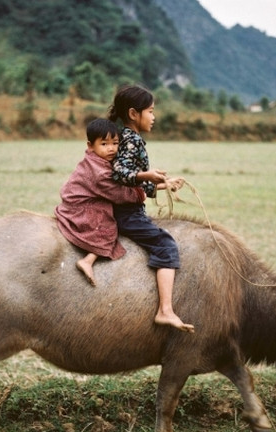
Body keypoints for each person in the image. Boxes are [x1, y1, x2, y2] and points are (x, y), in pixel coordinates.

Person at [108, 85, 195, 333]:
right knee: (166, 244)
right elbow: (121, 174)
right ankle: (165, 310)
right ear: (134, 114)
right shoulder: (131, 139)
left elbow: (135, 182)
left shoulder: (125, 137)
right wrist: (147, 174)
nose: (154, 117)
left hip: (127, 207)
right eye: (151, 111)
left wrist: (164, 184)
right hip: (127, 213)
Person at [55, 118, 145, 286]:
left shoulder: (96, 160)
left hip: (77, 199)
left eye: (115, 143)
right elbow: (117, 193)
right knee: (107, 226)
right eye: (104, 144)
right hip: (81, 206)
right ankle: (88, 260)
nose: (111, 148)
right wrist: (139, 194)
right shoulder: (99, 172)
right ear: (90, 145)